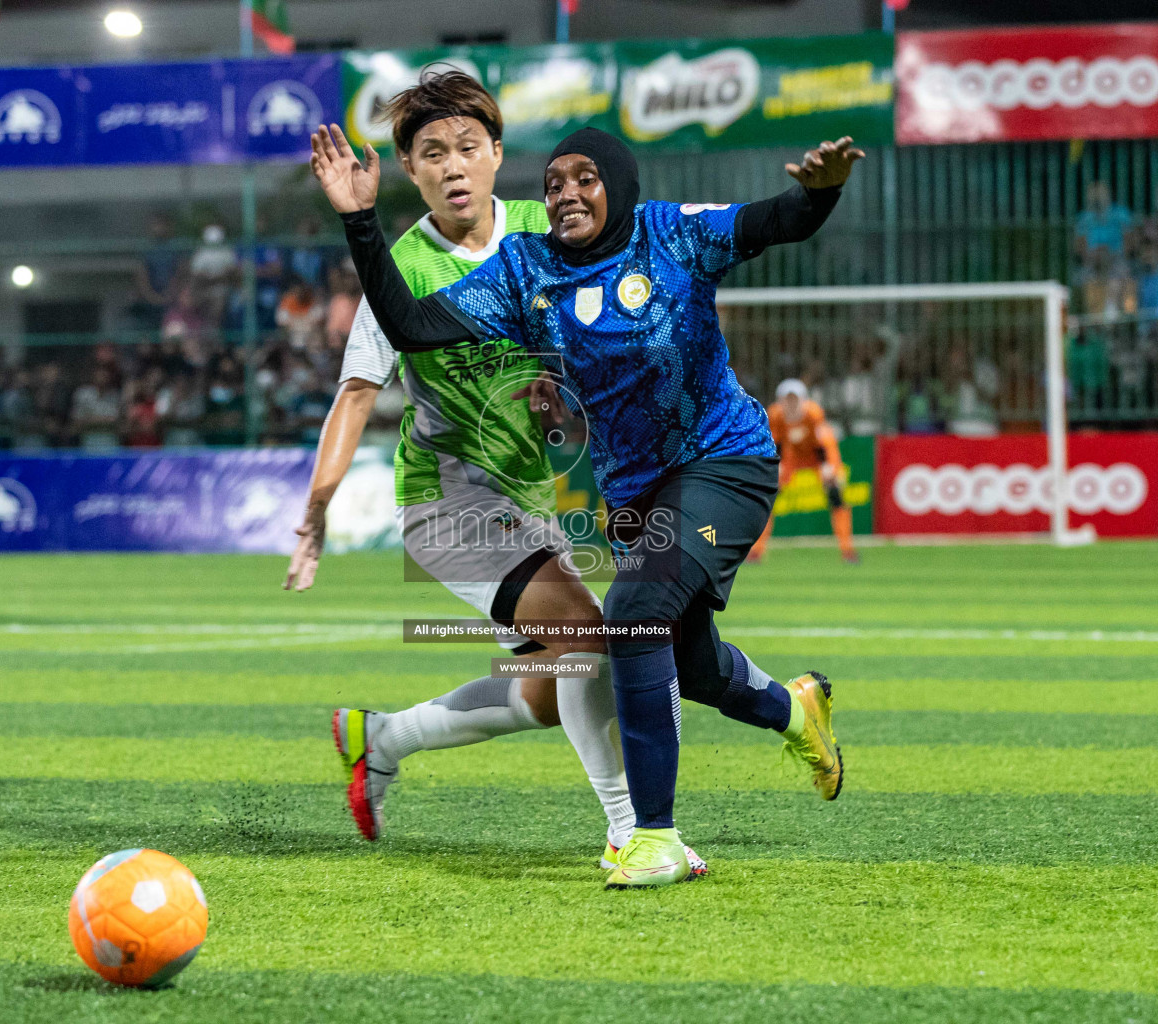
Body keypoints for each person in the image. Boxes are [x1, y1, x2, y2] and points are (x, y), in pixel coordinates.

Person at [312, 118, 858, 888]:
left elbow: (775, 220)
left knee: (630, 613)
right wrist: (360, 220)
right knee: (684, 664)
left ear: (620, 186)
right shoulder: (523, 269)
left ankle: (649, 837)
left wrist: (821, 195)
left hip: (724, 461)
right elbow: (411, 324)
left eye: (585, 179)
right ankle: (799, 712)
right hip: (634, 494)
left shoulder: (670, 233)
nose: (567, 193)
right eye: (555, 183)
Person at [287, 72, 706, 878]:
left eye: (467, 148)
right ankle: (630, 831)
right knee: (587, 636)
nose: (453, 167)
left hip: (528, 498)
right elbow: (354, 395)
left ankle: (380, 739)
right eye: (432, 153)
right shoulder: (400, 273)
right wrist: (317, 509)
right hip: (445, 500)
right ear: (410, 169)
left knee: (550, 692)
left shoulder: (543, 233)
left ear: (497, 154)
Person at [748, 378, 856, 564]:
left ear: (803, 400)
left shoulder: (813, 413)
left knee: (835, 494)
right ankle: (756, 551)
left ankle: (847, 550)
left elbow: (822, 443)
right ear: (780, 400)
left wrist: (827, 467)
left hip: (817, 456)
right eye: (786, 399)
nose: (791, 404)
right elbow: (776, 442)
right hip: (792, 457)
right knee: (766, 497)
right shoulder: (775, 415)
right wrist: (776, 467)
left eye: (794, 399)